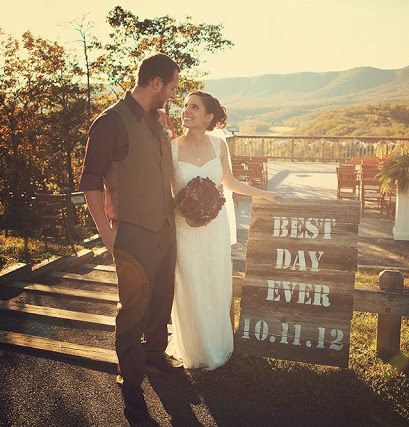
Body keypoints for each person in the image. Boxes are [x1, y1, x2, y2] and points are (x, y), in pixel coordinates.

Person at [78, 53, 182, 426]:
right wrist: (107, 235)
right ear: (155, 83)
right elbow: (90, 182)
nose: (172, 94)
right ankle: (131, 377)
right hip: (132, 231)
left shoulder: (157, 121)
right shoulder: (108, 123)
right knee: (134, 306)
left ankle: (156, 353)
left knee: (161, 296)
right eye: (170, 87)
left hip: (165, 227)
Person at [167, 91, 280, 370]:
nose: (186, 111)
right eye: (184, 106)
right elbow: (165, 193)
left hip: (215, 228)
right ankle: (193, 349)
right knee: (189, 283)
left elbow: (229, 182)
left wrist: (261, 193)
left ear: (209, 117)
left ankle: (217, 346)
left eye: (194, 107)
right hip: (184, 229)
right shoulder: (170, 148)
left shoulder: (219, 146)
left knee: (215, 283)